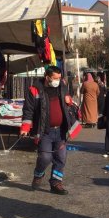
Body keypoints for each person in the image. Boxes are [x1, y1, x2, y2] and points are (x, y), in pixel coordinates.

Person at [20, 66, 82, 195]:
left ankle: (55, 183)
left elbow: (70, 105)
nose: (57, 81)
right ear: (47, 77)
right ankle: (38, 174)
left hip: (61, 130)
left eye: (59, 78)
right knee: (45, 157)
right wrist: (25, 128)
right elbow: (28, 110)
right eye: (55, 78)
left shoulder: (63, 87)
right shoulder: (35, 90)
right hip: (44, 131)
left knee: (61, 158)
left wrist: (69, 102)